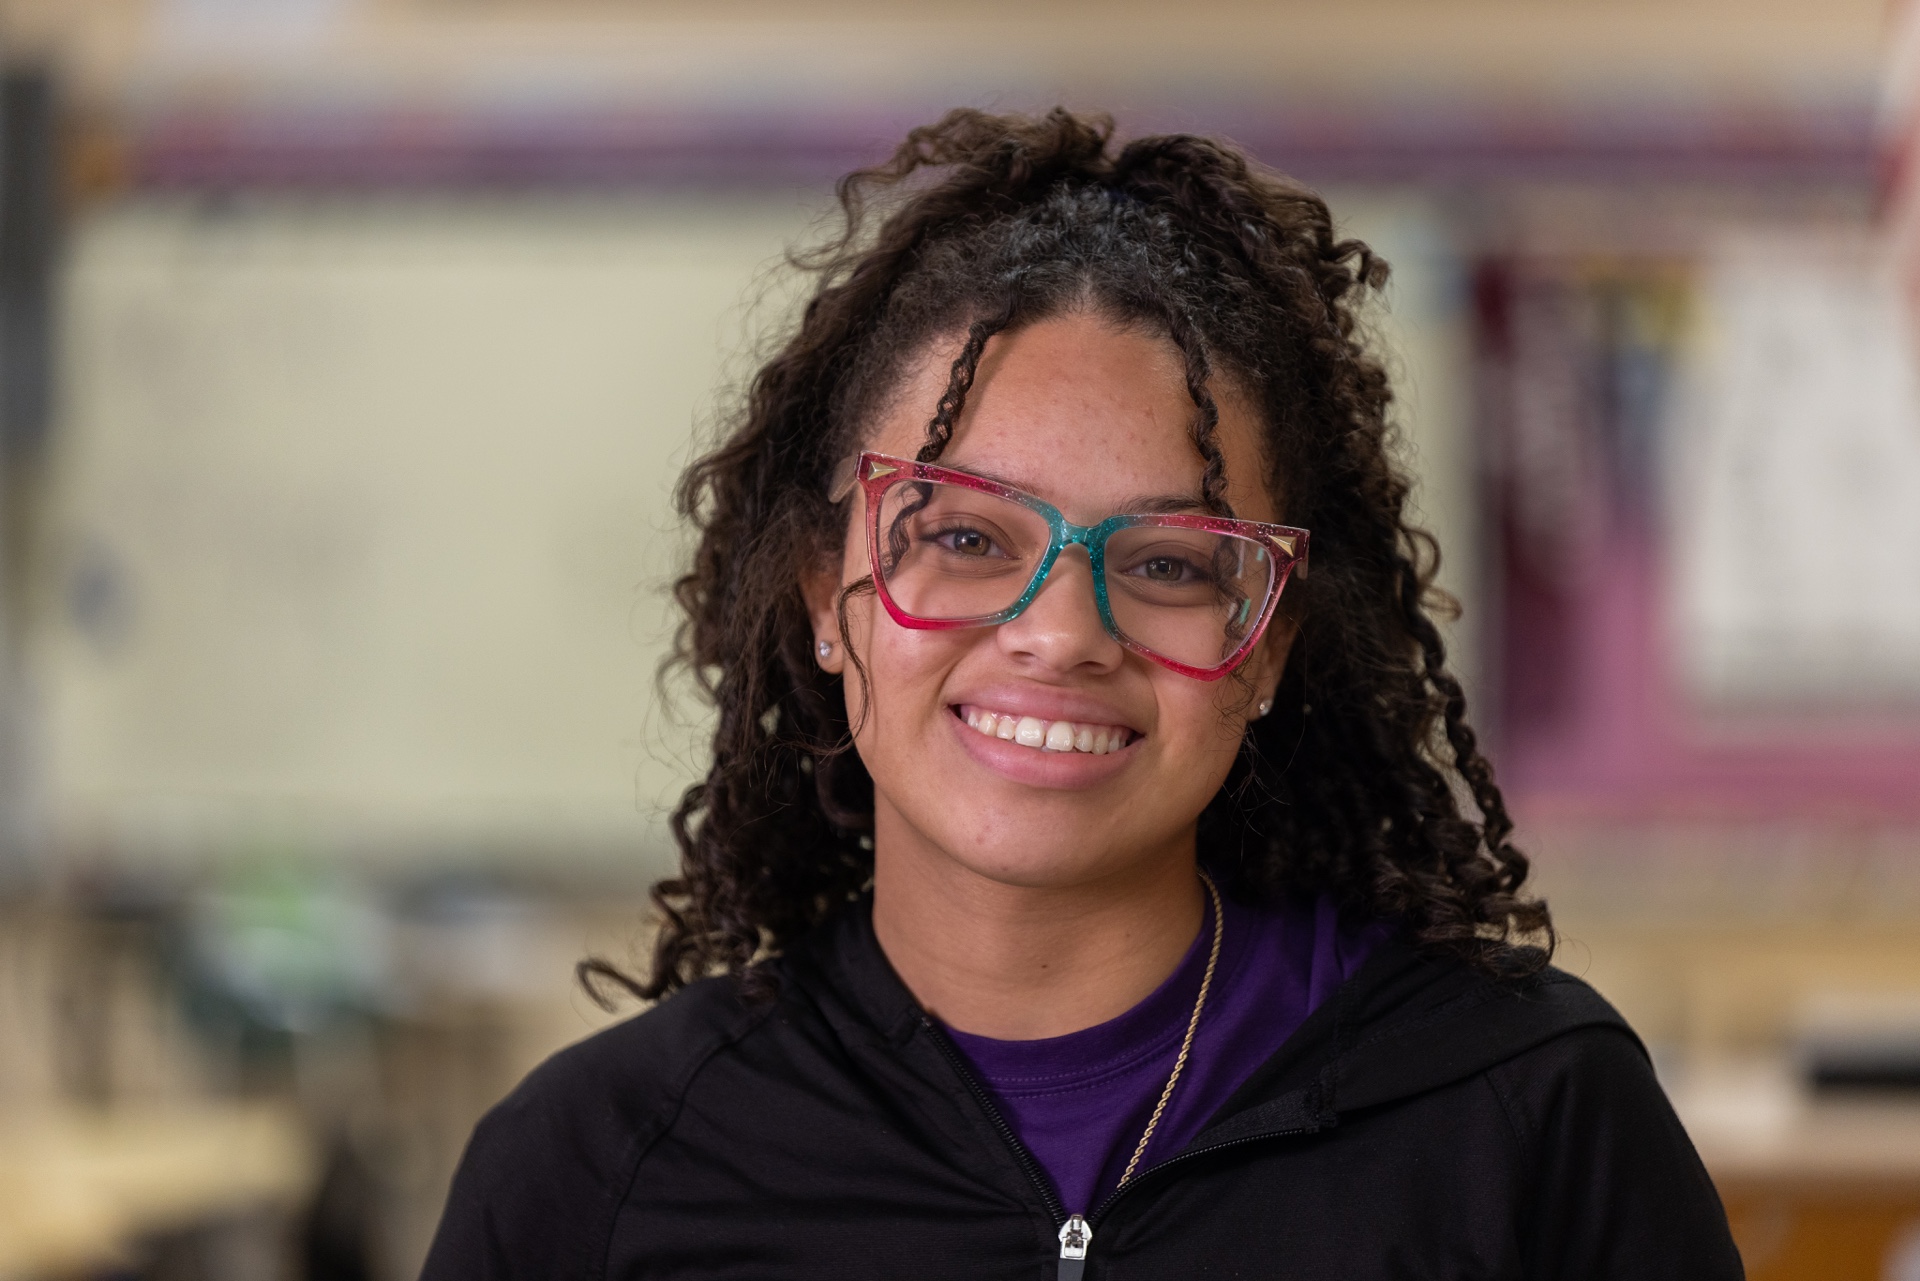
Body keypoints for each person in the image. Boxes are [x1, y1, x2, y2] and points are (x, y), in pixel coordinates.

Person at [421, 108, 1742, 1280]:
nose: (1060, 632)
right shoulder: (595, 1173)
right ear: (830, 595)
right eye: (964, 537)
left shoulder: (1526, 1112)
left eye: (1168, 562)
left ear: (1268, 640)